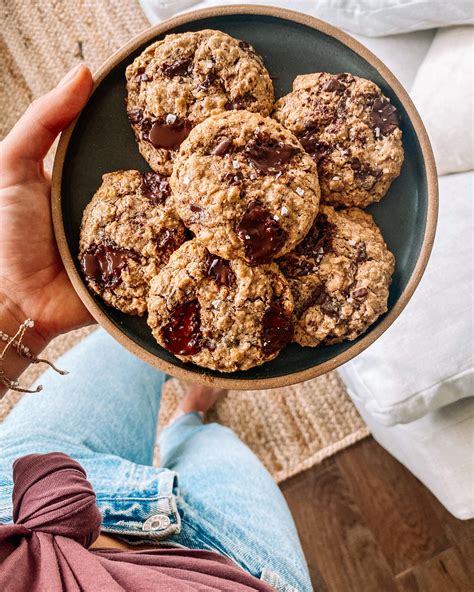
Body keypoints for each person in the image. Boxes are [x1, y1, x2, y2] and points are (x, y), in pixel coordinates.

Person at [0, 64, 312, 592]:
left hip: (21, 483)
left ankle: (190, 379)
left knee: (126, 344)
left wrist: (12, 309)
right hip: (226, 565)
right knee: (209, 445)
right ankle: (189, 422)